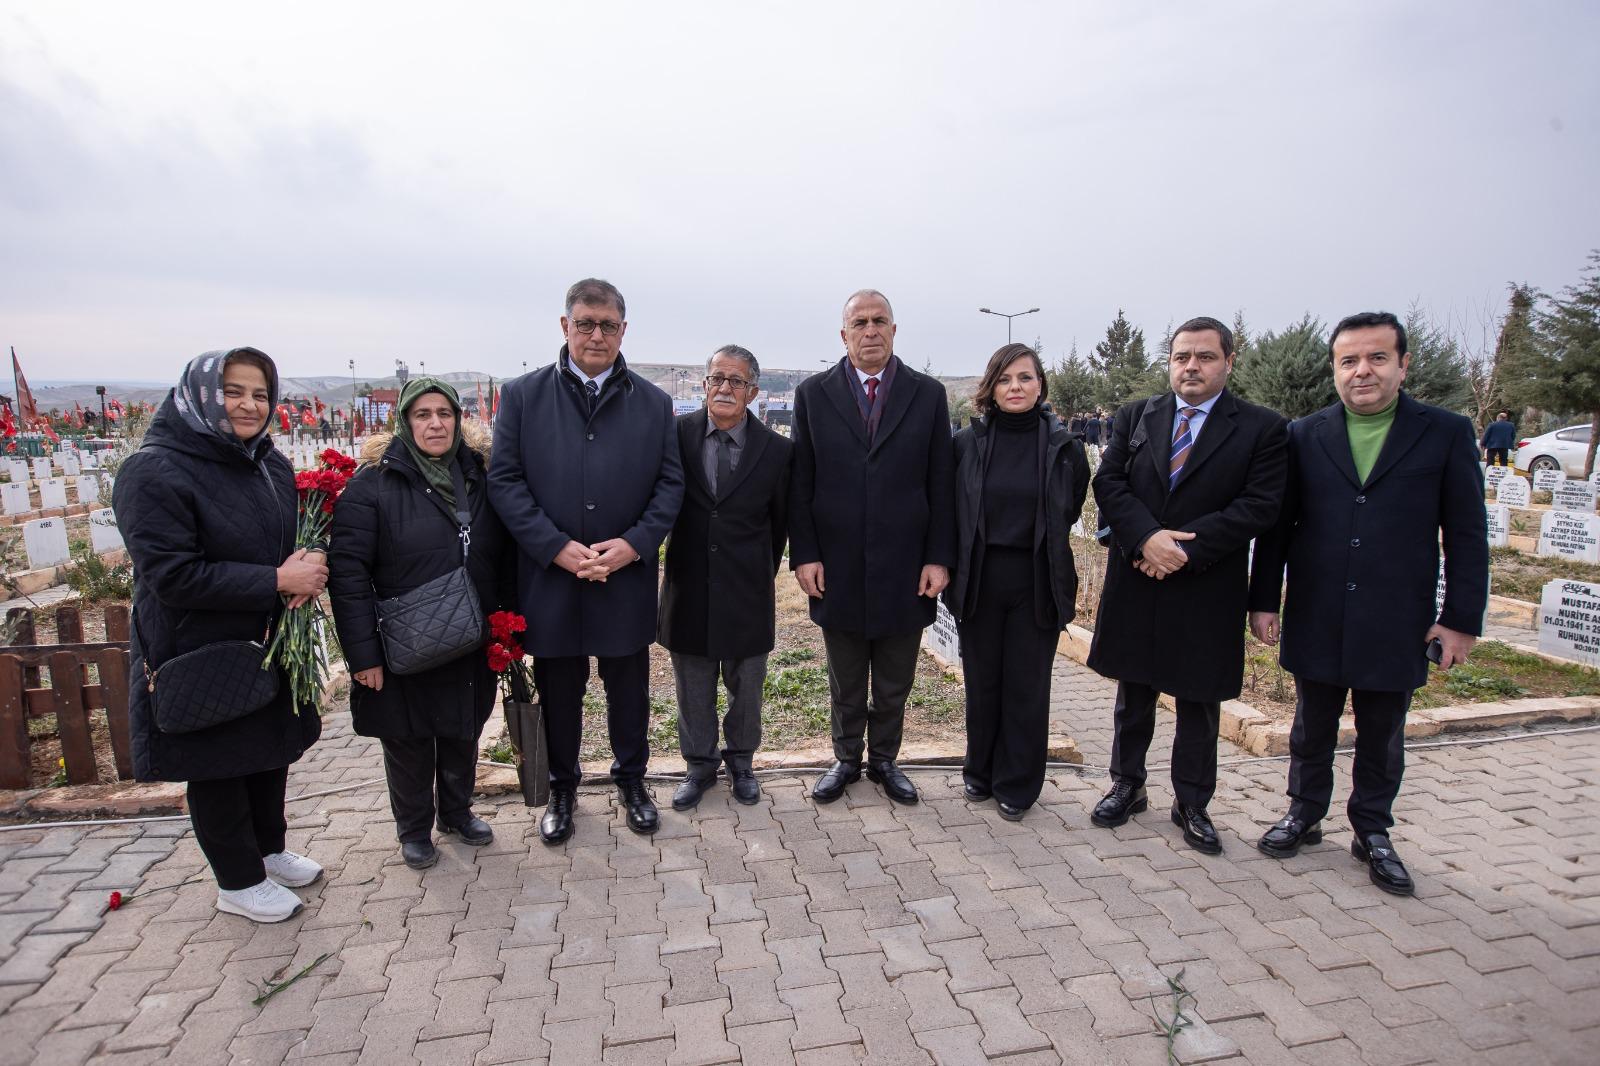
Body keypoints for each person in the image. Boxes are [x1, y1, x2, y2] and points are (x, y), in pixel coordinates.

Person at [1249, 311, 1487, 896]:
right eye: (1349, 360)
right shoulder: (1304, 435)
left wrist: (1459, 619)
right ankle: (1303, 814)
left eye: (1377, 358)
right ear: (1334, 369)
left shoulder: (1445, 432)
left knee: (1383, 730)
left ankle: (1372, 830)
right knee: (1311, 726)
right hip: (1318, 607)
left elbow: (1465, 533)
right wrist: (1263, 601)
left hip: (1395, 615)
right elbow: (1278, 529)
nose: (1363, 371)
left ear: (1403, 366)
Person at [113, 348, 325, 923]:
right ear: (201, 395)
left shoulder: (267, 464)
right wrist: (277, 579)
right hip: (196, 645)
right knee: (219, 762)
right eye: (234, 392)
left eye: (259, 394)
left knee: (265, 751)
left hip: (261, 636)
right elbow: (171, 575)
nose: (248, 405)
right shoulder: (154, 471)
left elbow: (281, 544)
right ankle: (236, 879)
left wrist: (304, 566)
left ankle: (268, 849)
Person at [489, 278, 684, 844]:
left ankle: (631, 782)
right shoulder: (523, 397)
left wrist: (635, 545)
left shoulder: (653, 402)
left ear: (624, 330)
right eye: (585, 324)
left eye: (608, 325)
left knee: (628, 690)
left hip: (624, 576)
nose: (596, 335)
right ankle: (562, 787)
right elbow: (506, 481)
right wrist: (554, 547)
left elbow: (669, 486)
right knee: (561, 690)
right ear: (564, 327)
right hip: (552, 577)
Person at [1088, 316, 1288, 853]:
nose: (1191, 367)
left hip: (1206, 584)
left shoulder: (1261, 428)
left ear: (1228, 362)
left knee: (1199, 700)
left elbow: (1259, 506)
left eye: (1204, 357)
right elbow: (1108, 481)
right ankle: (1127, 785)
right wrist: (1146, 538)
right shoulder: (1139, 416)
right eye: (1182, 357)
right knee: (1134, 692)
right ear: (1170, 362)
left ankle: (1192, 802)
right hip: (1138, 576)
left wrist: (1181, 551)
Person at [327, 379, 511, 870]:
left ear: (458, 420)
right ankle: (413, 829)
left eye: (444, 414)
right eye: (423, 414)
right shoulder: (373, 485)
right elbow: (347, 576)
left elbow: (504, 552)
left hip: (468, 633)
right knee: (408, 739)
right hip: (403, 640)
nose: (435, 423)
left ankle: (457, 811)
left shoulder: (478, 476)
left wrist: (507, 625)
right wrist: (363, 656)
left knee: (462, 729)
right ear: (405, 422)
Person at [789, 289, 957, 806]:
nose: (870, 330)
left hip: (906, 565)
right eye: (859, 322)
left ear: (894, 329)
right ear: (844, 335)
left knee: (893, 679)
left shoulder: (926, 394)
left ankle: (885, 760)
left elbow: (940, 482)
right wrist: (805, 554)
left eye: (879, 320)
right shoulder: (814, 394)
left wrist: (938, 557)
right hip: (835, 565)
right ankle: (845, 759)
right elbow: (802, 480)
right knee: (844, 677)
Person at [945, 344, 1090, 820]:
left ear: (1040, 385)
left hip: (1036, 579)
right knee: (983, 683)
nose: (1016, 388)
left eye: (1025, 378)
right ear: (991, 387)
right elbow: (953, 509)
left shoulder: (1063, 447)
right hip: (981, 580)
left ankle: (1018, 784)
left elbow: (1068, 508)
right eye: (1005, 379)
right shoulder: (967, 443)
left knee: (1027, 687)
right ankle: (979, 772)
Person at [658, 345, 791, 809]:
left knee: (746, 687)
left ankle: (741, 763)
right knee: (692, 686)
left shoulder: (777, 451)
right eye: (717, 378)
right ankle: (698, 766)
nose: (725, 388)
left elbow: (778, 526)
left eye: (736, 381)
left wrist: (754, 570)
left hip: (747, 590)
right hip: (688, 586)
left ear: (753, 391)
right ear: (704, 384)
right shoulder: (675, 436)